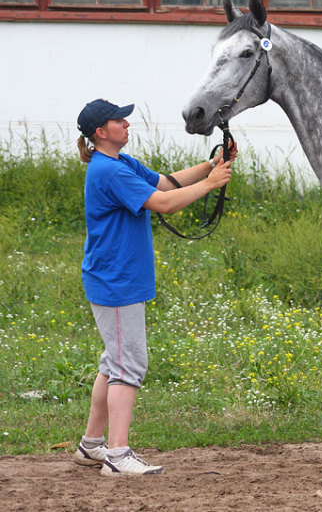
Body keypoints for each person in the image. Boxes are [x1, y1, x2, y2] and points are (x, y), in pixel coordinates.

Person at [71, 98, 236, 476]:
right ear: (101, 132)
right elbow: (163, 203)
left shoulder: (119, 163)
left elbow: (168, 183)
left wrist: (212, 165)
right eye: (119, 121)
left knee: (112, 362)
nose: (127, 124)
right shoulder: (108, 172)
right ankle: (116, 456)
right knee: (128, 365)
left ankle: (91, 446)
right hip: (116, 282)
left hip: (117, 278)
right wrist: (211, 184)